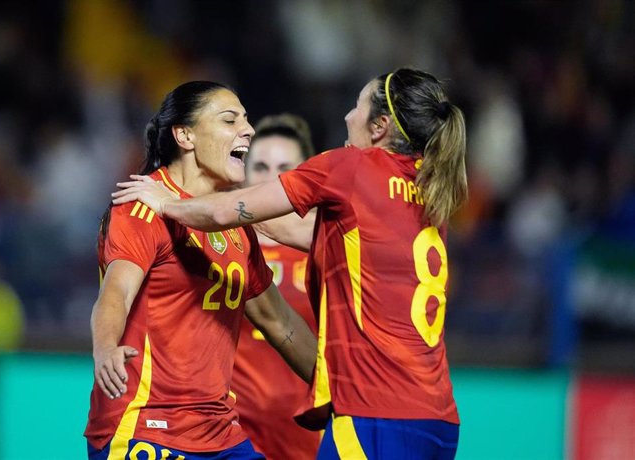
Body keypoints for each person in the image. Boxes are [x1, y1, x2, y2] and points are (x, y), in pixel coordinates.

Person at [113, 67, 467, 459]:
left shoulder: (352, 168)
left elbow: (228, 213)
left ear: (380, 125)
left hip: (375, 411)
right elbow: (302, 232)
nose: (348, 117)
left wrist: (169, 202)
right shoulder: (429, 194)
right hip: (438, 418)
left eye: (357, 107)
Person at [84, 81, 317, 460]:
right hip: (147, 429)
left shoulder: (233, 225)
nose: (249, 130)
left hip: (221, 436)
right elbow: (116, 292)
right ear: (185, 135)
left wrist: (340, 391)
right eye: (230, 120)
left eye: (246, 119)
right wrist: (106, 346)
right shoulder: (141, 206)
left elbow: (280, 323)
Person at [232, 114, 320, 459]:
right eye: (260, 166)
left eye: (284, 167)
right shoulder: (220, 244)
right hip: (231, 431)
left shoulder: (329, 246)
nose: (271, 179)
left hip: (308, 429)